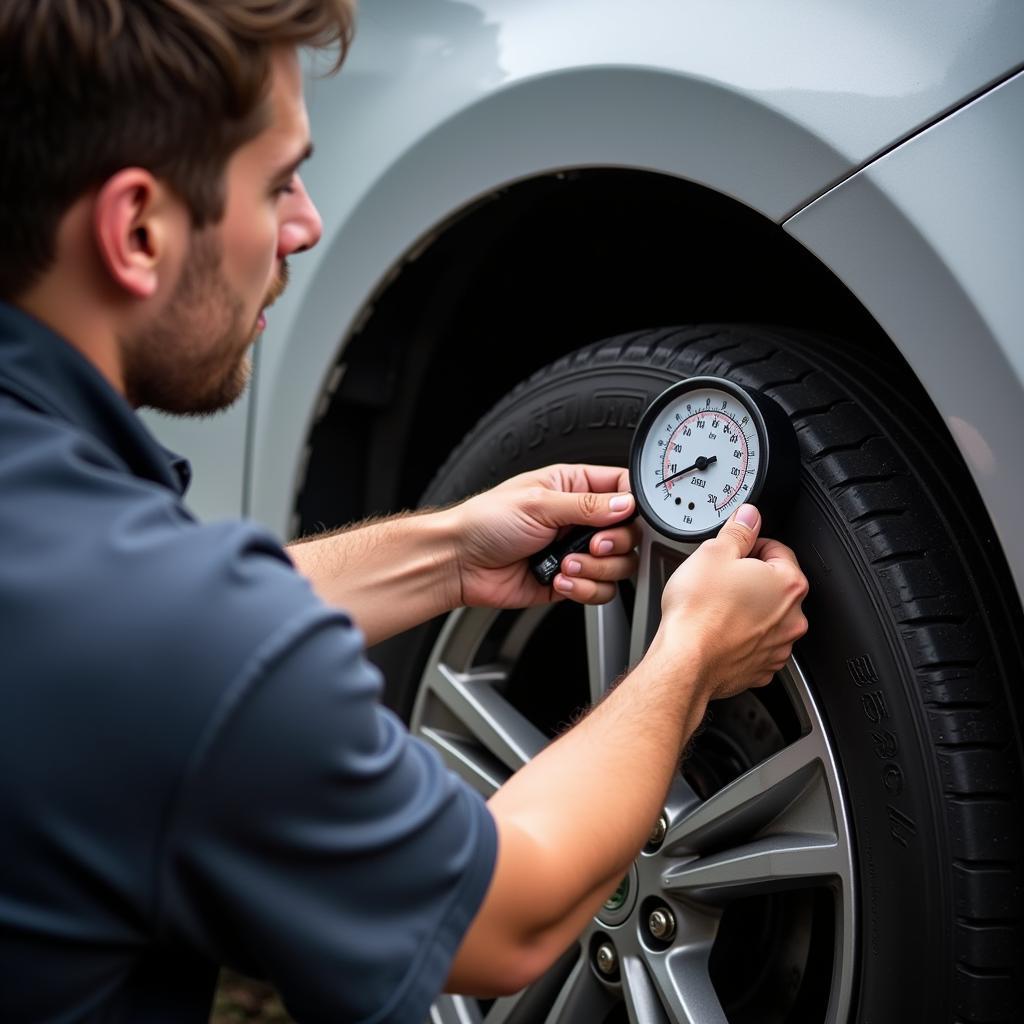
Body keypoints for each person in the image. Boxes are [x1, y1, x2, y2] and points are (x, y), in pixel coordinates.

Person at [0, 2, 809, 1021]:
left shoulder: (68, 558)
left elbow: (114, 638)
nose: (306, 223)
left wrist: (447, 552)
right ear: (138, 229)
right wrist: (689, 657)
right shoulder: (166, 636)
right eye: (277, 180)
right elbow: (503, 917)